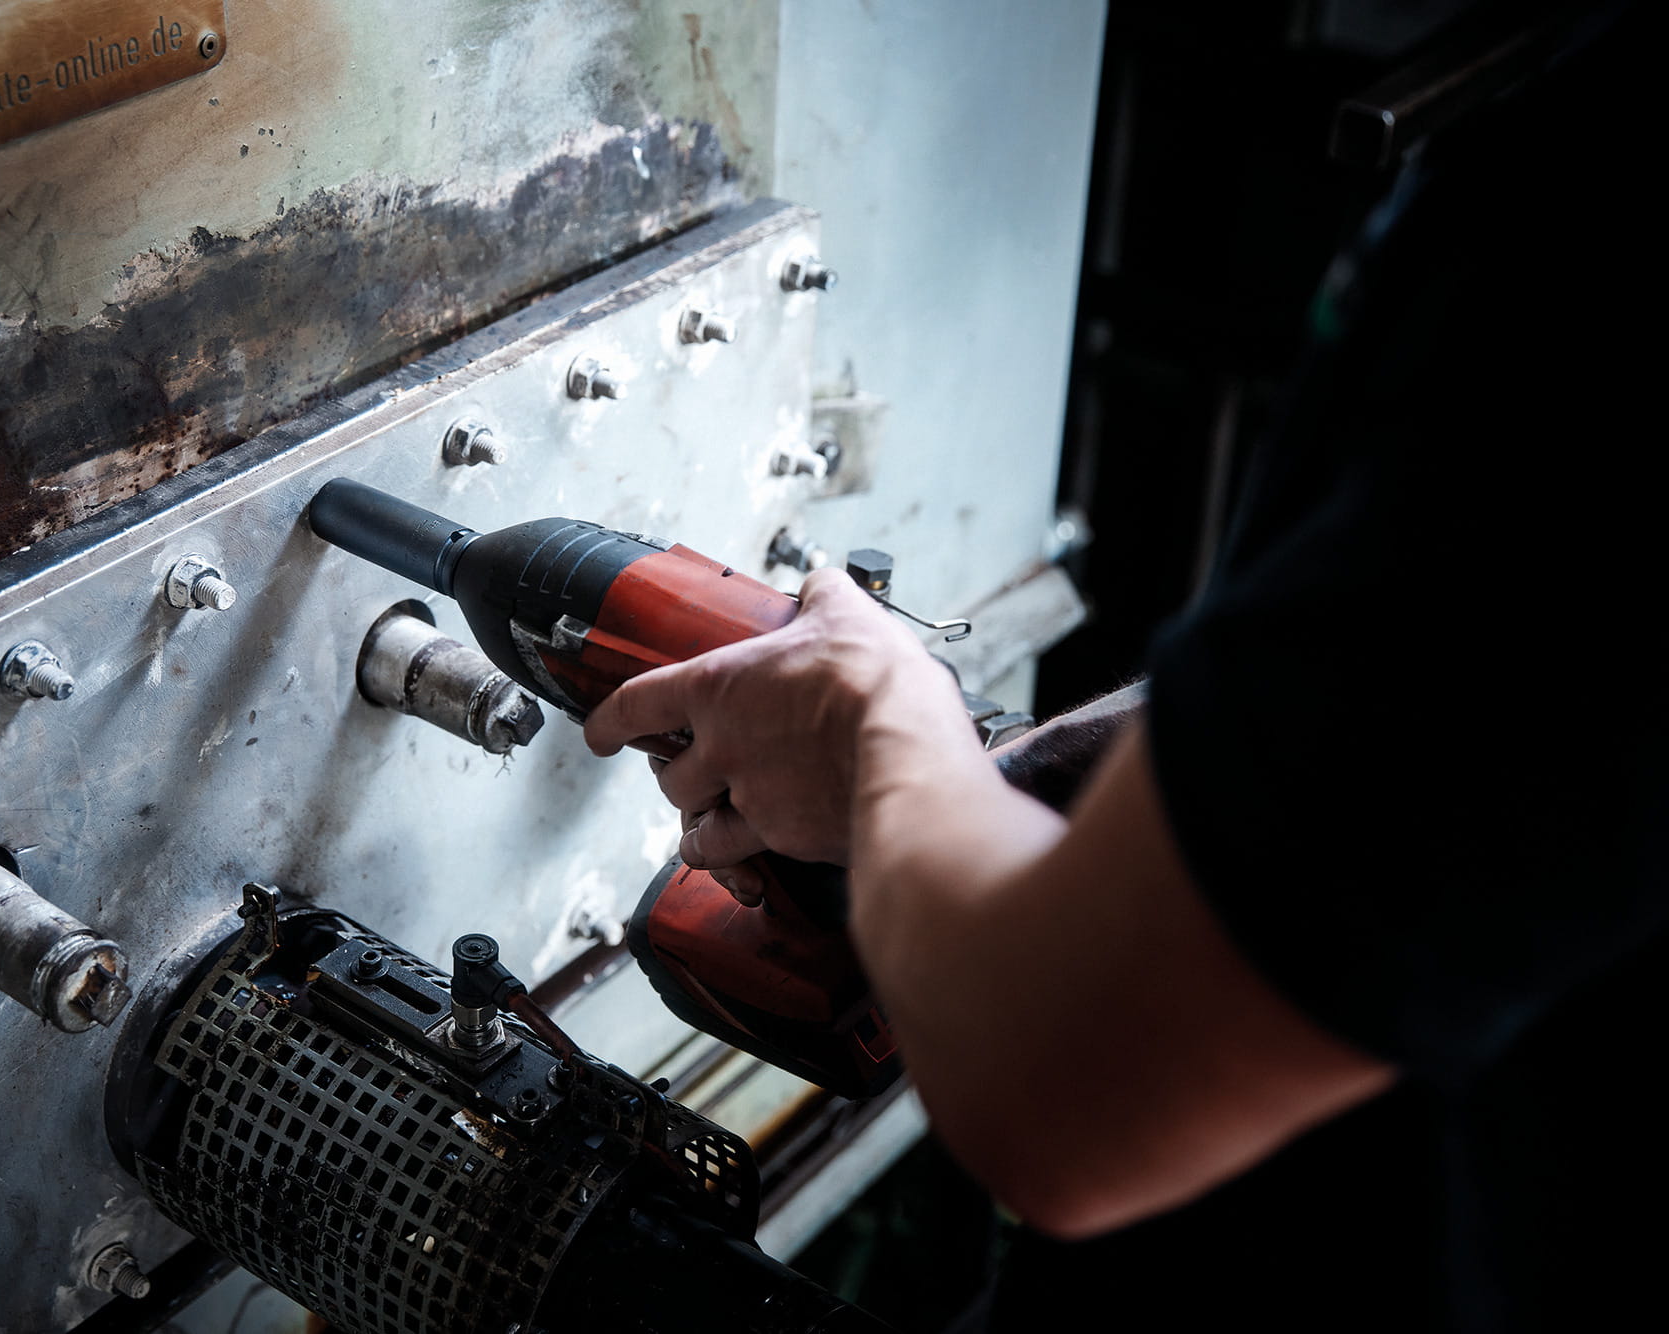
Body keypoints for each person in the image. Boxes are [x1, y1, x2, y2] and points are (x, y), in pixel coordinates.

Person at [584, 5, 1661, 1328]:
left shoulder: (1608, 220)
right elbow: (1447, 706)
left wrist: (878, 730)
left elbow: (1061, 1087)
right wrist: (1020, 772)